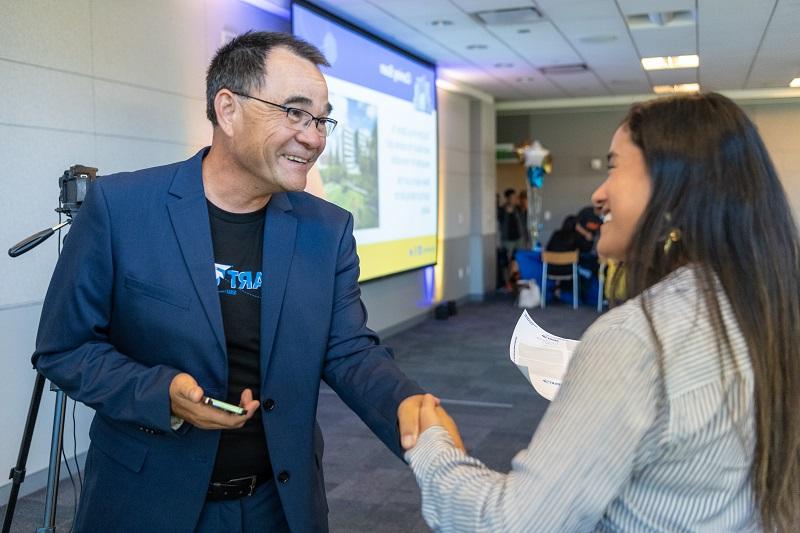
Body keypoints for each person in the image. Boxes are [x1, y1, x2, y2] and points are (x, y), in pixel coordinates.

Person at [32, 32, 428, 533]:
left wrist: (406, 404)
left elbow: (348, 350)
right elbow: (63, 350)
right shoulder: (121, 210)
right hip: (146, 503)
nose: (314, 137)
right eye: (294, 112)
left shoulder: (327, 231)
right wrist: (160, 391)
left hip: (278, 504)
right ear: (228, 108)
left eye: (322, 119)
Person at [404, 93, 800, 531]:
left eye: (613, 167)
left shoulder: (636, 337)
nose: (598, 193)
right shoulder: (762, 306)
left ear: (673, 189)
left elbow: (512, 524)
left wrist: (435, 447)